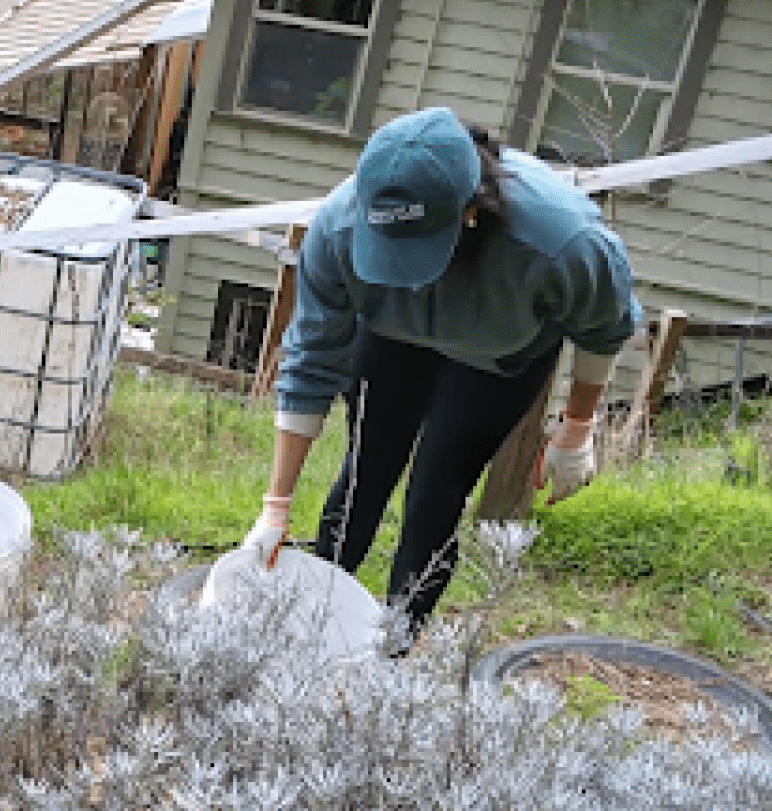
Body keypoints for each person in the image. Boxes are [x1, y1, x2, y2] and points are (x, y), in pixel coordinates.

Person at [245, 106, 642, 646]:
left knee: (437, 488)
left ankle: (393, 651)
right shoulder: (337, 227)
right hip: (390, 336)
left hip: (496, 355)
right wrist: (276, 507)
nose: (403, 272)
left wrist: (576, 429)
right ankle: (316, 625)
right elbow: (311, 358)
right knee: (364, 469)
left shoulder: (562, 240)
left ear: (469, 212)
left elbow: (603, 328)